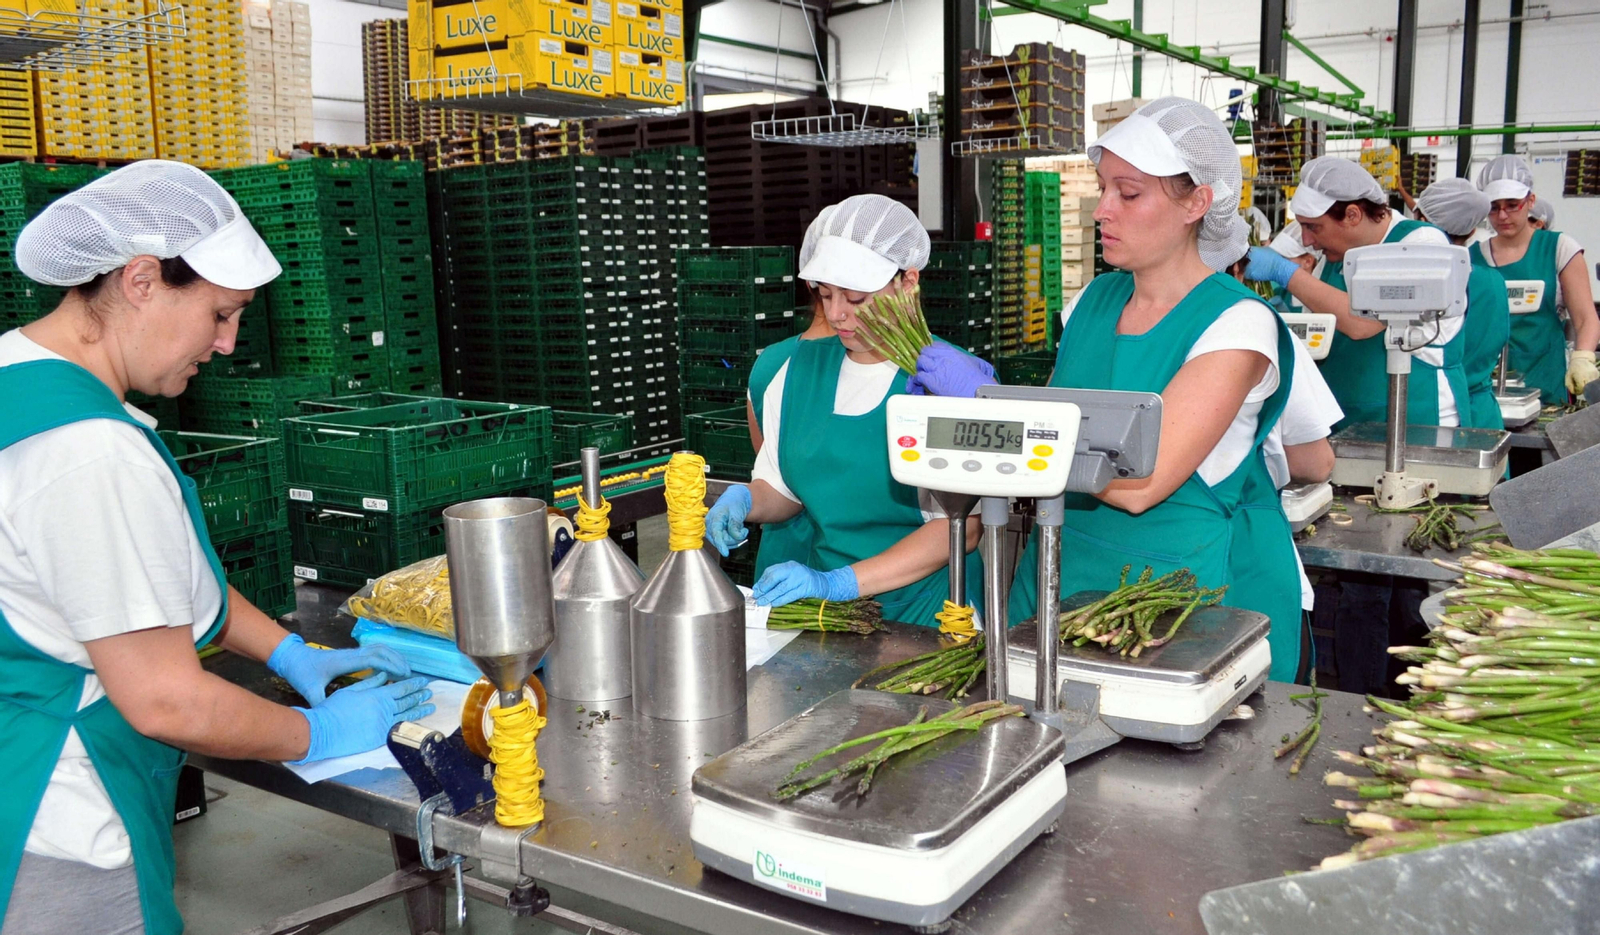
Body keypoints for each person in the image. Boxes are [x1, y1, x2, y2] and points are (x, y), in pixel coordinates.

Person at [0, 162, 433, 935]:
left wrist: (288, 652)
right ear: (140, 280)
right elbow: (167, 697)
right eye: (220, 314)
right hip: (55, 828)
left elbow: (141, 580)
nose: (229, 344)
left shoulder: (19, 377)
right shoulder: (90, 451)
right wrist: (321, 732)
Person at [918, 98, 1304, 680]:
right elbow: (1042, 447)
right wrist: (984, 423)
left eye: (1128, 193)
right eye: (1102, 189)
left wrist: (993, 410)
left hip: (1167, 606)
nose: (1101, 210)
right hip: (1054, 575)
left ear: (1197, 202)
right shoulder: (1091, 303)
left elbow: (1139, 483)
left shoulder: (1237, 325)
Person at [702, 194, 992, 627]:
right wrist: (747, 499)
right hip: (834, 616)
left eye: (856, 298)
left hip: (930, 614)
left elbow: (960, 530)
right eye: (826, 294)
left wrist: (839, 582)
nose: (837, 315)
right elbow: (784, 488)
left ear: (908, 282)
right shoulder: (796, 371)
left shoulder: (950, 380)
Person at [1246, 157, 1468, 431]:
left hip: (1415, 417)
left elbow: (1362, 323)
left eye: (1313, 227)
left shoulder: (1419, 244)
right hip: (1348, 419)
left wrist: (1284, 272)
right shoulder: (1333, 259)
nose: (1306, 241)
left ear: (1352, 215)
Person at [1226, 215, 1341, 675]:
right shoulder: (1260, 326)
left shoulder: (1101, 315)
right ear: (1241, 267)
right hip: (1249, 554)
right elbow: (1316, 461)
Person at [1470, 155, 1599, 404]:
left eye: (1512, 204)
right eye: (1494, 207)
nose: (1503, 215)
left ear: (1530, 201)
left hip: (1546, 382)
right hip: (1484, 387)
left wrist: (1583, 357)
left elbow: (1584, 317)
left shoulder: (1559, 248)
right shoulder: (1473, 258)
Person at [742, 260, 833, 579]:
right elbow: (776, 477)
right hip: (799, 566)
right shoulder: (786, 372)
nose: (840, 312)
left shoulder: (771, 362)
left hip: (790, 553)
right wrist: (746, 498)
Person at [1415, 178, 1512, 430]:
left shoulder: (1413, 280)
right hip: (1481, 415)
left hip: (1432, 410)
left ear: (1419, 220)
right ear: (1471, 231)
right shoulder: (1492, 281)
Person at [1263, 221, 1319, 314]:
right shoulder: (1279, 293)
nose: (1278, 264)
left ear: (1308, 261)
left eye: (1284, 259)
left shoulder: (1322, 300)